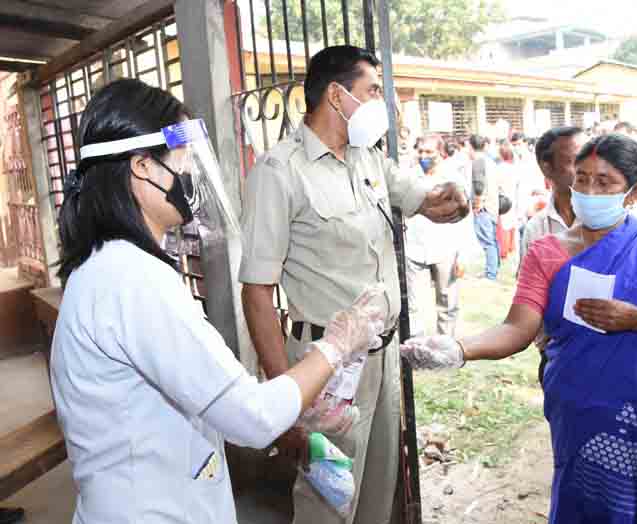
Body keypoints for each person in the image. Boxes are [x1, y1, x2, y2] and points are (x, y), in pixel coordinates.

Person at [48, 79, 386, 524]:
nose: (191, 180)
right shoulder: (132, 280)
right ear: (144, 167)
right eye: (185, 164)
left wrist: (297, 395)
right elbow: (253, 418)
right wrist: (337, 345)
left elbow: (204, 387)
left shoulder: (107, 267)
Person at [401, 134, 637, 523]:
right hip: (578, 410)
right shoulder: (547, 252)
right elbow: (518, 328)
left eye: (604, 182)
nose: (588, 190)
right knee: (581, 503)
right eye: (582, 178)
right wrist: (458, 349)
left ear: (633, 193)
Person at [238, 45, 469, 524]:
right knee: (328, 499)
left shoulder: (370, 159)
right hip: (325, 367)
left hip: (380, 359)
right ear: (338, 95)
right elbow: (257, 291)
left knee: (375, 493)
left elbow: (428, 200)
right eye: (374, 90)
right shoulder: (279, 172)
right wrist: (287, 399)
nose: (384, 102)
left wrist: (453, 198)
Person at [405, 134, 468, 338]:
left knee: (447, 300)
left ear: (440, 153)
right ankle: (417, 347)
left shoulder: (453, 179)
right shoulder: (408, 176)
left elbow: (465, 219)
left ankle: (445, 345)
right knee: (414, 304)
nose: (424, 155)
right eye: (421, 151)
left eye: (429, 152)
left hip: (445, 249)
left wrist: (463, 255)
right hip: (413, 249)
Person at [520, 126, 584, 259]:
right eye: (578, 161)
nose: (589, 169)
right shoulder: (536, 230)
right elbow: (527, 278)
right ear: (547, 168)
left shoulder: (615, 218)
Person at [470, 134, 501, 280]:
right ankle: (494, 268)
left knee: (487, 241)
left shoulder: (478, 162)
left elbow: (478, 185)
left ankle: (491, 273)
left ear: (470, 147)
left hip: (484, 207)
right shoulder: (491, 161)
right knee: (493, 240)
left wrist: (477, 204)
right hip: (493, 205)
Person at [496, 143, 519, 260]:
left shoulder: (499, 168)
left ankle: (503, 250)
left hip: (503, 198)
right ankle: (511, 247)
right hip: (513, 196)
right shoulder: (515, 168)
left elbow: (496, 184)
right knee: (512, 223)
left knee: (503, 225)